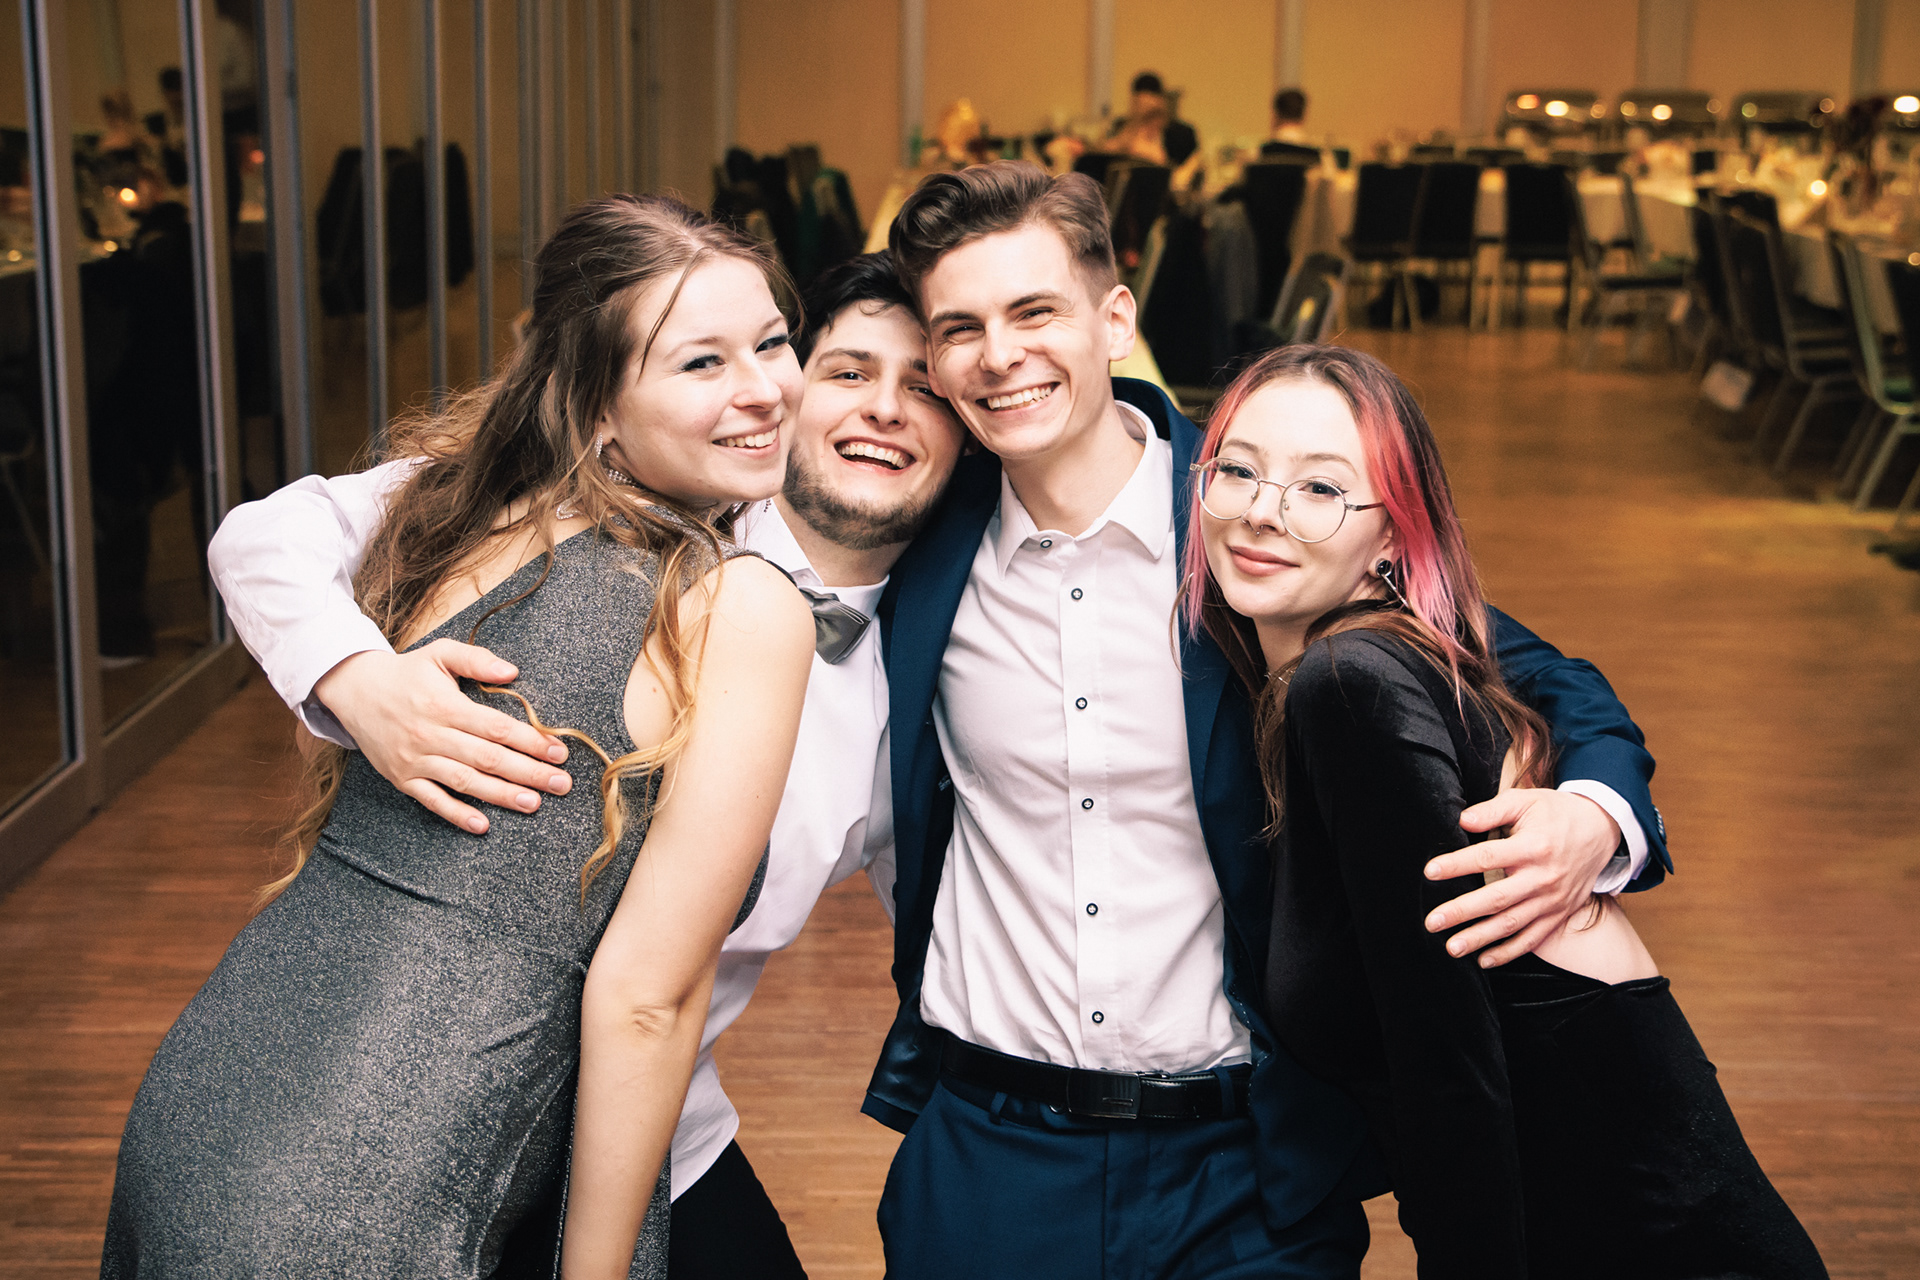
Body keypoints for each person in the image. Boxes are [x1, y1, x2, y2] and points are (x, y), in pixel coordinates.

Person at [868, 159, 1671, 1277]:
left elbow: (1543, 674)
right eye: (962, 328)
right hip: (992, 1156)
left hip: (1246, 1168)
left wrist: (1596, 812)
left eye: (1035, 311)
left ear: (1114, 319)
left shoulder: (1253, 512)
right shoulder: (915, 540)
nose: (1000, 355)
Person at [201, 250, 970, 1277]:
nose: (885, 408)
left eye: (927, 388)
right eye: (848, 370)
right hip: (401, 1113)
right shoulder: (580, 507)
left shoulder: (932, 686)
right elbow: (266, 536)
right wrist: (359, 680)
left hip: (655, 1131)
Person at [100, 193, 819, 1279]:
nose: (763, 387)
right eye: (701, 363)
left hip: (213, 1093)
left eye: (770, 341)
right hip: (356, 1177)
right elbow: (645, 1001)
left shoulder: (462, 511)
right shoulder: (738, 605)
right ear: (596, 407)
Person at [1186, 343, 1827, 1279]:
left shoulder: (1350, 684)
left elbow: (1449, 1072)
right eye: (1238, 471)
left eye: (1321, 488)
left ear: (1394, 536)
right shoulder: (1344, 663)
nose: (1261, 510)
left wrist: (1600, 810)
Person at [1107, 71, 1198, 168]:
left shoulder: (1182, 134)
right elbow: (1106, 151)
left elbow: (1190, 167)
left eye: (1153, 113)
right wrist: (1132, 127)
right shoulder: (1121, 126)